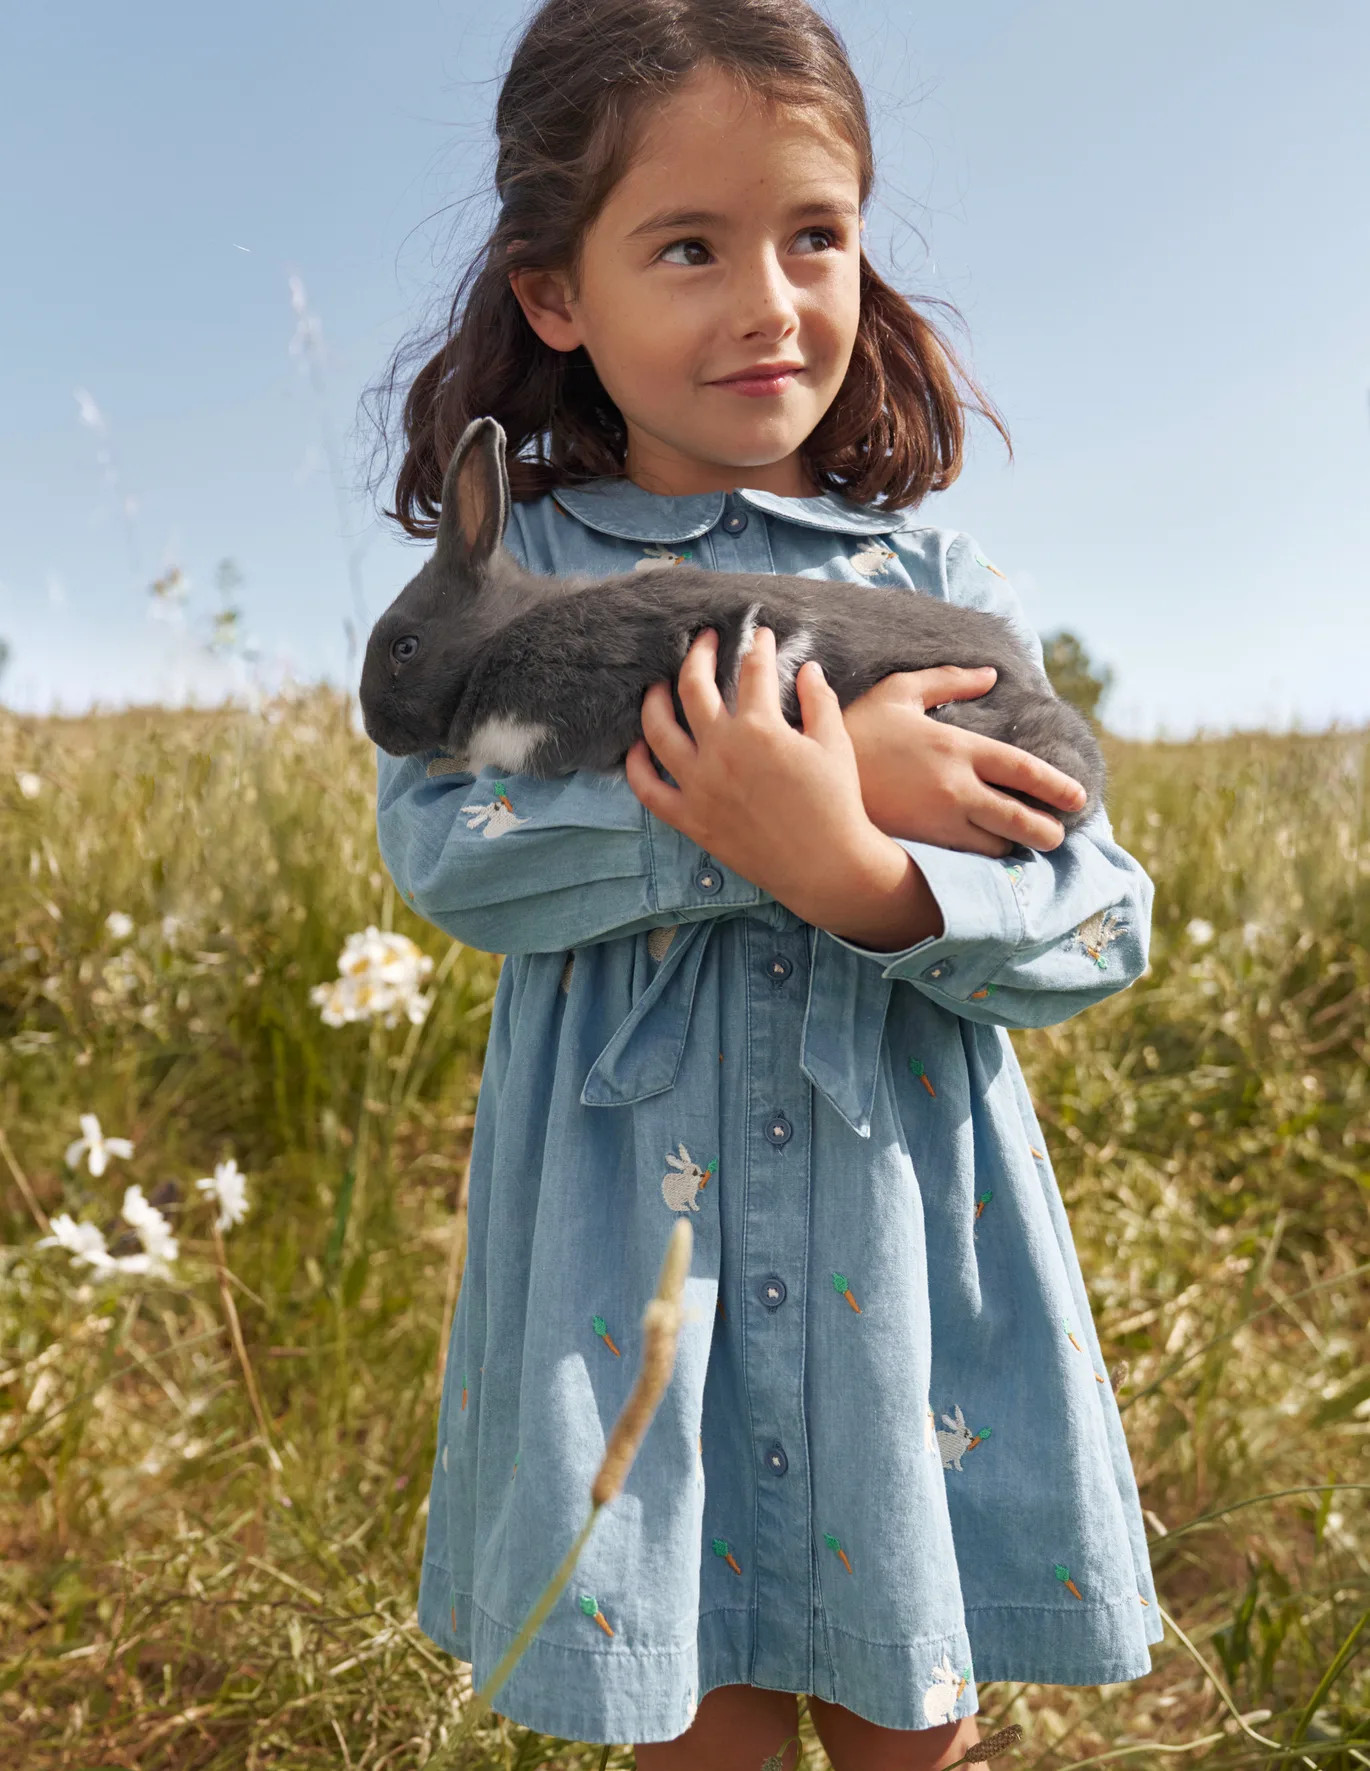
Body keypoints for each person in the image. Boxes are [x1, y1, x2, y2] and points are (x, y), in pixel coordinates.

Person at [369, 2, 1162, 1765]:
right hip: (628, 1283)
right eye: (687, 246)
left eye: (815, 236)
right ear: (555, 295)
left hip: (906, 1277)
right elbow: (450, 839)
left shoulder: (930, 584)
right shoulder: (527, 590)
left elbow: (1098, 916)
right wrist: (719, 823)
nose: (769, 300)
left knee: (911, 1714)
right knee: (690, 1702)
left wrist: (864, 866)